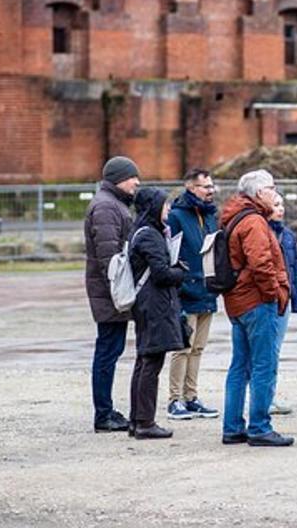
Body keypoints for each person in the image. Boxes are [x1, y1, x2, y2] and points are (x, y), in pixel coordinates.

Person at [219, 169, 294, 447]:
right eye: (272, 187)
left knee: (240, 366)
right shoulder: (254, 222)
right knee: (264, 365)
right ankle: (260, 427)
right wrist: (273, 294)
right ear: (260, 192)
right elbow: (261, 263)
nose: (276, 193)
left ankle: (233, 427)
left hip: (238, 301)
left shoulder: (235, 217)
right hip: (257, 302)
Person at [84, 155, 141, 433]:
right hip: (109, 292)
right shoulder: (106, 207)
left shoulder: (113, 204)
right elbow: (110, 259)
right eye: (133, 177)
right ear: (119, 178)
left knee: (111, 349)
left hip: (111, 291)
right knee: (107, 350)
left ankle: (106, 410)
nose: (137, 182)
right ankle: (103, 414)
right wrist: (121, 292)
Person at [127, 186, 187, 439]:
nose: (169, 209)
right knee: (151, 362)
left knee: (144, 361)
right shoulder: (150, 236)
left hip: (147, 304)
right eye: (165, 205)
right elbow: (161, 274)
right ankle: (145, 422)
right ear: (153, 207)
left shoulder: (142, 232)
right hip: (154, 305)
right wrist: (180, 272)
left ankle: (137, 420)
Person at [164, 168, 220, 421]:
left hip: (208, 289)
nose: (211, 191)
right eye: (205, 186)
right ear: (191, 188)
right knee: (183, 347)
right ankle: (174, 399)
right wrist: (181, 282)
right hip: (186, 290)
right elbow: (171, 252)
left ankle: (191, 396)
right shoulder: (176, 216)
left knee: (198, 348)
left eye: (211, 186)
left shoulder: (210, 216)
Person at [268, 192, 297, 415]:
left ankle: (270, 395)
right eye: (275, 204)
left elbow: (295, 269)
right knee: (265, 351)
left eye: (282, 204)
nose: (280, 209)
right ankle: (261, 398)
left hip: (285, 299)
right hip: (269, 298)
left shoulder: (288, 235)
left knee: (275, 350)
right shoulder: (261, 231)